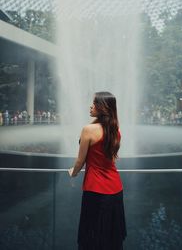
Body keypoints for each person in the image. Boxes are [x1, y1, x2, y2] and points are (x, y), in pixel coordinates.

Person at [68, 91, 127, 250]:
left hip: (95, 189)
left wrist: (72, 173)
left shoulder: (88, 130)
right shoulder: (116, 130)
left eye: (94, 103)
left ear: (102, 107)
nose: (91, 106)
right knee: (111, 236)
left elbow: (80, 160)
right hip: (116, 189)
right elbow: (112, 159)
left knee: (92, 235)